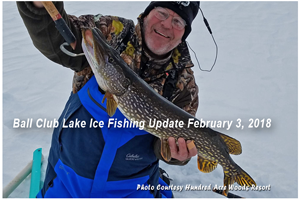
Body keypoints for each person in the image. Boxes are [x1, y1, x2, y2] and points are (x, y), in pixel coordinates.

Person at [17, 1, 200, 198]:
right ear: (146, 14)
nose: (166, 25)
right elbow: (61, 40)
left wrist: (176, 155)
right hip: (69, 178)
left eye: (178, 21)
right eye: (162, 13)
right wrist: (38, 6)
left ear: (184, 33)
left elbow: (165, 145)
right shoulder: (112, 33)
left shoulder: (184, 84)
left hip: (130, 188)